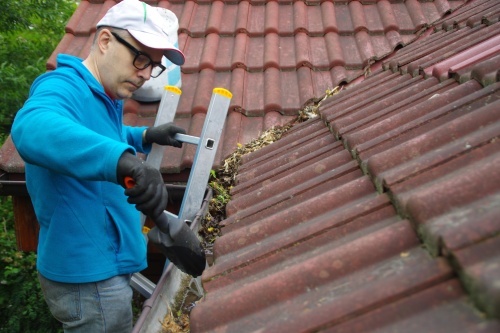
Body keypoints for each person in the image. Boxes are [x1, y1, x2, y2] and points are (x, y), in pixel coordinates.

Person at [11, 0, 186, 331]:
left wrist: (144, 135)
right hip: (89, 278)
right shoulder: (62, 86)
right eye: (140, 58)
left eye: (154, 66)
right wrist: (123, 161)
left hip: (104, 263)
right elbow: (32, 126)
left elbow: (100, 135)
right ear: (105, 41)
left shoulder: (104, 95)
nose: (146, 74)